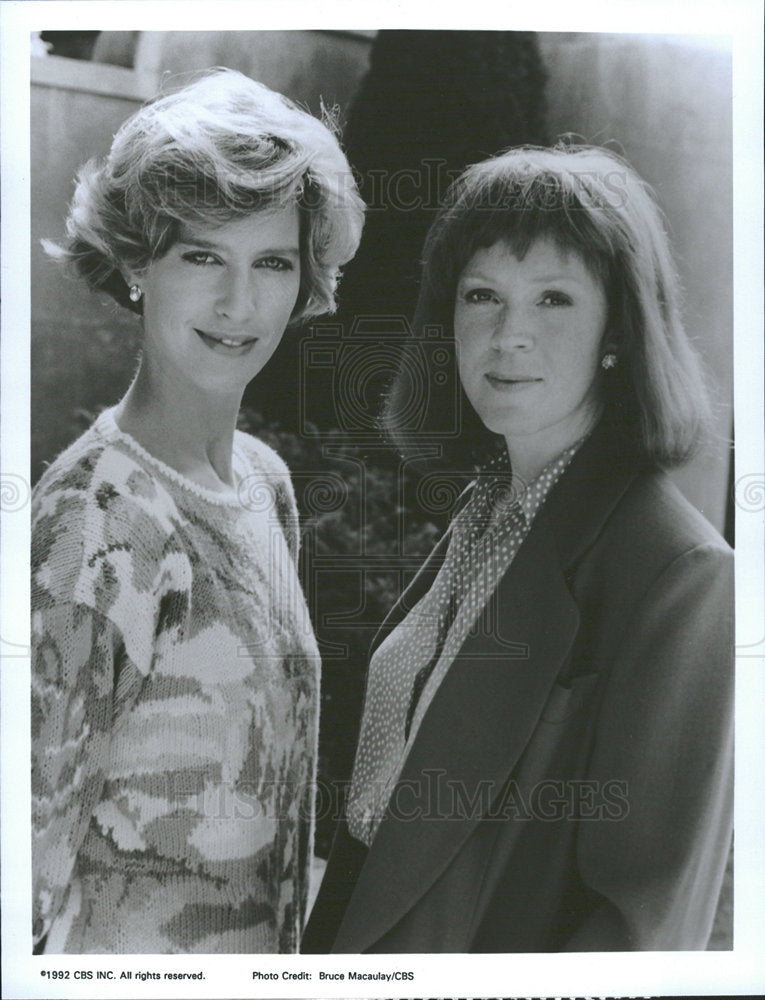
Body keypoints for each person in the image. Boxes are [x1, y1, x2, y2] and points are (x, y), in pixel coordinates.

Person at [303, 145, 733, 952]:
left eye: (553, 299)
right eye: (482, 297)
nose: (509, 335)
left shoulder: (679, 577)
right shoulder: (485, 516)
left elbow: (641, 928)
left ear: (619, 332)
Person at [31, 68, 364, 954]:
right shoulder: (92, 525)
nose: (238, 304)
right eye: (203, 255)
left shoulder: (263, 482)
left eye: (272, 263)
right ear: (139, 263)